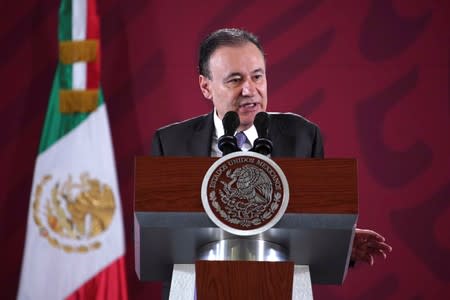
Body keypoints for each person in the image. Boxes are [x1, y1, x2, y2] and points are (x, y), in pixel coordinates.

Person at [151, 28, 392, 266]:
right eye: (235, 80)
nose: (249, 90)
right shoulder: (170, 143)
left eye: (257, 77)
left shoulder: (302, 136)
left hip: (279, 285)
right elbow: (158, 234)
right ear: (206, 87)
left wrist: (339, 242)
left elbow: (315, 222)